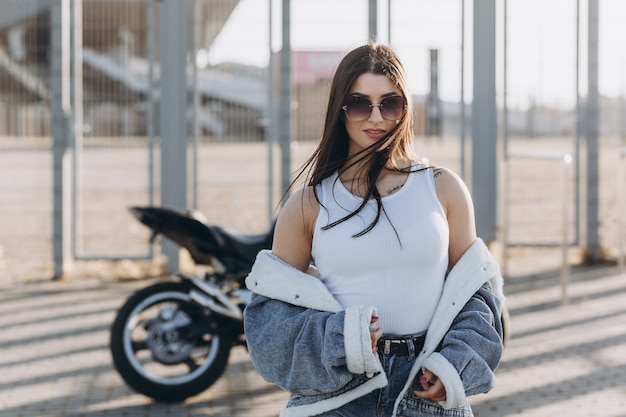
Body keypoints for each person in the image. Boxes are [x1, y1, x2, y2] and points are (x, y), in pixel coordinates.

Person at [243, 42, 505, 417]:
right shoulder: (307, 204)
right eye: (360, 103)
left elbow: (477, 299)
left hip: (426, 387)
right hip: (337, 394)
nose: (376, 117)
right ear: (340, 109)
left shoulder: (443, 188)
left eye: (390, 103)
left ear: (405, 108)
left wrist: (452, 366)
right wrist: (343, 339)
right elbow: (269, 322)